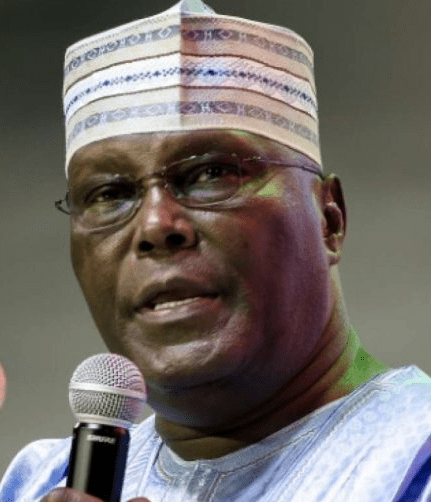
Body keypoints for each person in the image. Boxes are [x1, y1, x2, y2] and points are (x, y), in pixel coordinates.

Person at [1, 1, 431, 501]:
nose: (156, 225)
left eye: (211, 173)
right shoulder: (38, 482)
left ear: (328, 219)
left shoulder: (413, 453)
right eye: (109, 194)